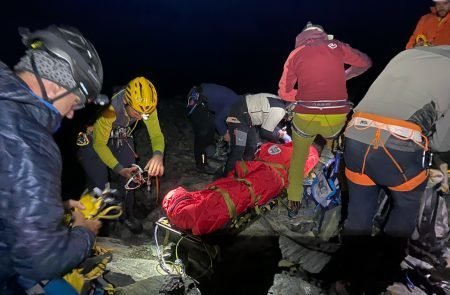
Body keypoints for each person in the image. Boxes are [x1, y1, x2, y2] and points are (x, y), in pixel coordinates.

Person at [337, 46, 450, 293]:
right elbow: (442, 143)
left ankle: (348, 277)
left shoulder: (408, 54)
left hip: (356, 136)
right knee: (406, 206)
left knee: (358, 215)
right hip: (397, 147)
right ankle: (382, 276)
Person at [0, 25, 103, 294]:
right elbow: (42, 262)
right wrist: (86, 233)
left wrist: (51, 205)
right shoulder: (29, 139)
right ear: (55, 84)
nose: (72, 114)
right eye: (77, 101)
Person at [277, 21, 371, 217]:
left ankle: (294, 202)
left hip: (306, 116)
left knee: (298, 158)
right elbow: (365, 63)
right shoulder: (336, 46)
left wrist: (304, 94)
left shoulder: (295, 54)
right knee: (338, 150)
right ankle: (345, 193)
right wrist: (342, 77)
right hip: (336, 117)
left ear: (301, 37)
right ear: (322, 34)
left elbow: (284, 92)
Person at [78, 76, 165, 233]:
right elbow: (100, 144)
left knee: (131, 176)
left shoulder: (147, 106)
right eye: (137, 112)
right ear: (126, 100)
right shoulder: (110, 110)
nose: (141, 117)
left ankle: (126, 216)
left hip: (121, 135)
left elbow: (156, 135)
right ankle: (86, 227)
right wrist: (118, 168)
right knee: (99, 185)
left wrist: (158, 155)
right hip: (94, 139)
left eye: (146, 114)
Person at [223, 93, 290, 175]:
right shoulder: (280, 111)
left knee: (252, 146)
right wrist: (279, 135)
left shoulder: (279, 101)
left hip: (248, 117)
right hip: (239, 116)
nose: (286, 120)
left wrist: (278, 131)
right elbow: (264, 133)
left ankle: (242, 171)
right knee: (239, 149)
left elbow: (268, 119)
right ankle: (226, 176)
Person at [187, 83, 242, 174]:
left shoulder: (237, 102)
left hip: (206, 102)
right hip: (198, 99)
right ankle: (201, 165)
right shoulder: (233, 103)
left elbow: (228, 119)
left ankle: (208, 154)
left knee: (211, 129)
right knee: (203, 133)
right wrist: (225, 133)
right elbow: (219, 120)